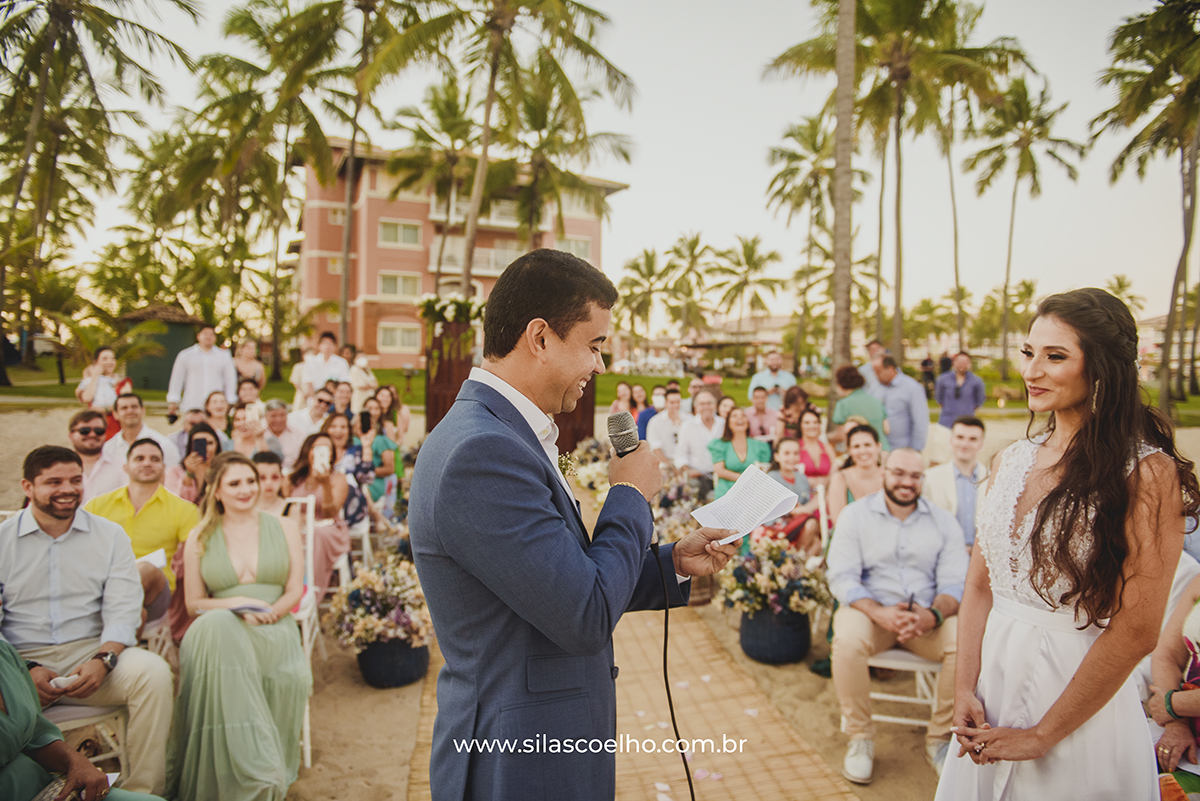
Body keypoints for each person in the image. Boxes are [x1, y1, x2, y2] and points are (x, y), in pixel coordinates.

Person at [407, 249, 739, 800]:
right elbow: (584, 613)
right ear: (539, 338)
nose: (601, 366)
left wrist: (671, 562)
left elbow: (555, 580)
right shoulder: (482, 452)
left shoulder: (499, 434)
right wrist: (629, 493)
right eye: (594, 345)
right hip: (518, 756)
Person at [936, 288, 1197, 800]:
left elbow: (1139, 630)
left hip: (1080, 698)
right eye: (1029, 352)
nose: (1032, 371)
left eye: (1055, 356)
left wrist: (1041, 735)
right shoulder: (1009, 460)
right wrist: (965, 686)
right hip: (992, 689)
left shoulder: (1146, 473)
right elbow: (979, 588)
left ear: (1100, 369)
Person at [0, 446, 174, 796]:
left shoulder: (109, 535)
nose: (68, 489)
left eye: (75, 480)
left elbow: (124, 608)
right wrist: (26, 668)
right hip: (20, 664)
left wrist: (104, 660)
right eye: (54, 481)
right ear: (28, 487)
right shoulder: (2, 541)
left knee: (154, 674)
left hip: (91, 655)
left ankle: (142, 791)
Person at [167, 452, 311, 801]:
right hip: (220, 627)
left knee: (263, 659)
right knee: (217, 625)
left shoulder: (285, 525)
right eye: (235, 483)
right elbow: (194, 604)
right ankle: (241, 769)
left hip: (275, 624)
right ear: (216, 491)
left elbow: (295, 588)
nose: (247, 489)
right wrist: (233, 605)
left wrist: (272, 612)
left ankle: (259, 770)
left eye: (251, 480)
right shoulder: (199, 535)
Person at [828, 448, 969, 784]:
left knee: (965, 640)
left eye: (915, 476)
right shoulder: (855, 515)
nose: (907, 482)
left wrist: (933, 615)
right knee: (846, 640)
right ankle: (860, 737)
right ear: (883, 474)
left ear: (923, 479)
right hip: (872, 613)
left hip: (925, 618)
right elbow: (842, 576)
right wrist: (879, 612)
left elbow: (955, 581)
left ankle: (939, 739)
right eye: (899, 473)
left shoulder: (943, 521)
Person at [0, 638, 164, 801]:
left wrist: (76, 761)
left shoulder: (5, 654)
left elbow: (36, 735)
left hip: (45, 787)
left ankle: (146, 789)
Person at [85, 439, 199, 624]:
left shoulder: (184, 510)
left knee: (144, 568)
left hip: (154, 593)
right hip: (102, 586)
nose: (147, 463)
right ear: (126, 467)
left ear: (163, 467)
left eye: (154, 459)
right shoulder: (97, 505)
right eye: (139, 458)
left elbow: (197, 556)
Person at [286, 433, 351, 599]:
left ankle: (308, 596)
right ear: (308, 451)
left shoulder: (338, 478)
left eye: (328, 449)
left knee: (315, 534)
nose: (323, 452)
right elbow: (284, 508)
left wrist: (325, 484)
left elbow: (331, 512)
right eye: (317, 448)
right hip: (296, 526)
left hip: (327, 527)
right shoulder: (293, 478)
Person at [922, 417, 988, 551]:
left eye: (973, 439)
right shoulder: (930, 478)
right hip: (944, 552)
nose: (965, 444)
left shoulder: (992, 479)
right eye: (960, 437)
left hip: (981, 556)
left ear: (981, 444)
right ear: (951, 440)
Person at [166, 324, 238, 421]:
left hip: (216, 405)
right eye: (205, 334)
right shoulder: (185, 355)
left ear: (215, 338)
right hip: (192, 402)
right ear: (198, 336)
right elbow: (177, 378)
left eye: (211, 334)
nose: (208, 337)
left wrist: (230, 400)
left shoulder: (224, 356)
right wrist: (173, 400)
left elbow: (230, 380)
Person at [766, 437, 823, 556]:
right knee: (811, 524)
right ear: (777, 456)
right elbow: (771, 507)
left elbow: (808, 501)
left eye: (795, 453)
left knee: (817, 544)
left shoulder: (802, 478)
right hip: (777, 525)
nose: (792, 457)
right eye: (787, 453)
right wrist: (796, 510)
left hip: (799, 524)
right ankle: (795, 559)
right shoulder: (772, 477)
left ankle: (797, 564)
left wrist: (803, 508)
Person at [709, 407, 771, 500]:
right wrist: (744, 479)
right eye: (735, 416)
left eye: (743, 416)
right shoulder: (720, 445)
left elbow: (763, 471)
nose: (740, 418)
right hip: (727, 491)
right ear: (728, 423)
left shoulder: (760, 446)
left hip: (752, 492)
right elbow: (720, 471)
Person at [102, 393, 181, 466]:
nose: (130, 411)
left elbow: (172, 478)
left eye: (134, 407)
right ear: (115, 414)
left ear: (143, 410)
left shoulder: (164, 445)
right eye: (124, 408)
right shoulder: (108, 449)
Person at [868, 356, 929, 451]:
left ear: (890, 369)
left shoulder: (912, 388)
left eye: (878, 371)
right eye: (874, 371)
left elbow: (920, 422)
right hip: (879, 449)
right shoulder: (874, 387)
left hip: (903, 449)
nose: (875, 375)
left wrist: (915, 450)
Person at [828, 424, 883, 525]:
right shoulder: (840, 478)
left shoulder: (888, 477)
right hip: (849, 537)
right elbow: (838, 522)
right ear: (849, 450)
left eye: (867, 445)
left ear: (878, 447)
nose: (862, 451)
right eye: (856, 446)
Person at [674, 389, 724, 498]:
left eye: (709, 403)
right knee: (693, 487)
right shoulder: (687, 426)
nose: (706, 407)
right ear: (695, 406)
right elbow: (680, 455)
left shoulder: (723, 424)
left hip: (723, 475)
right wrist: (688, 469)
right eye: (702, 404)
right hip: (699, 476)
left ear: (715, 405)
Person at [71, 408, 128, 502]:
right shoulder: (58, 468)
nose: (92, 434)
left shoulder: (122, 466)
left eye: (99, 430)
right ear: (71, 435)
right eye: (85, 430)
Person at [829, 366, 889, 450]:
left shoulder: (843, 404)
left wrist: (827, 438)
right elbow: (886, 429)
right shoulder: (876, 401)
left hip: (862, 452)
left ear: (840, 384)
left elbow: (840, 435)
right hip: (883, 449)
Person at [164, 423, 221, 505]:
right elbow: (175, 503)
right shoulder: (174, 471)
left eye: (210, 443)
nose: (206, 448)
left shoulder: (224, 470)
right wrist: (189, 475)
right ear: (191, 446)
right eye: (200, 444)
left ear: (217, 445)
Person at [934, 352, 986, 430]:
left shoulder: (977, 381)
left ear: (969, 364)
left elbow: (979, 401)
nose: (962, 365)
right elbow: (939, 398)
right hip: (946, 422)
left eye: (965, 362)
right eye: (959, 362)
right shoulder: (942, 379)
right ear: (954, 363)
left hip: (968, 423)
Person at [75, 345, 124, 416]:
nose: (110, 362)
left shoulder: (121, 382)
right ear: (95, 362)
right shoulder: (90, 380)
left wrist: (106, 409)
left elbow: (125, 404)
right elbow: (87, 398)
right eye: (105, 359)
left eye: (112, 359)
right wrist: (95, 376)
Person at [797, 408, 838, 490]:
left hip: (826, 492)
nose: (812, 426)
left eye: (815, 422)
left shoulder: (827, 447)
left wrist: (825, 481)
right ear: (800, 425)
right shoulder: (796, 446)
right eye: (807, 423)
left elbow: (835, 471)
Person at [646, 388, 688, 467]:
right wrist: (670, 466)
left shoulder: (689, 419)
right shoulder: (655, 422)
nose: (676, 405)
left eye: (678, 402)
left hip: (686, 463)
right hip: (664, 463)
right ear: (665, 403)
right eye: (672, 402)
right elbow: (656, 449)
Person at [302, 332, 350, 398]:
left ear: (335, 346)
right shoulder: (311, 362)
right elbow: (309, 383)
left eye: (331, 344)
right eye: (325, 343)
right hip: (317, 399)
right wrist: (314, 399)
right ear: (319, 345)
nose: (328, 346)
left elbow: (344, 382)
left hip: (335, 399)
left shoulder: (342, 363)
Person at [264, 399, 305, 472]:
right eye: (273, 416)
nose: (278, 420)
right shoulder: (260, 435)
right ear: (266, 416)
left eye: (282, 415)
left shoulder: (299, 435)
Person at [253, 451, 293, 519]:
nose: (269, 483)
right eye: (262, 477)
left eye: (275, 477)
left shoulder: (291, 510)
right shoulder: (245, 508)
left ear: (282, 479)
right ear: (253, 480)